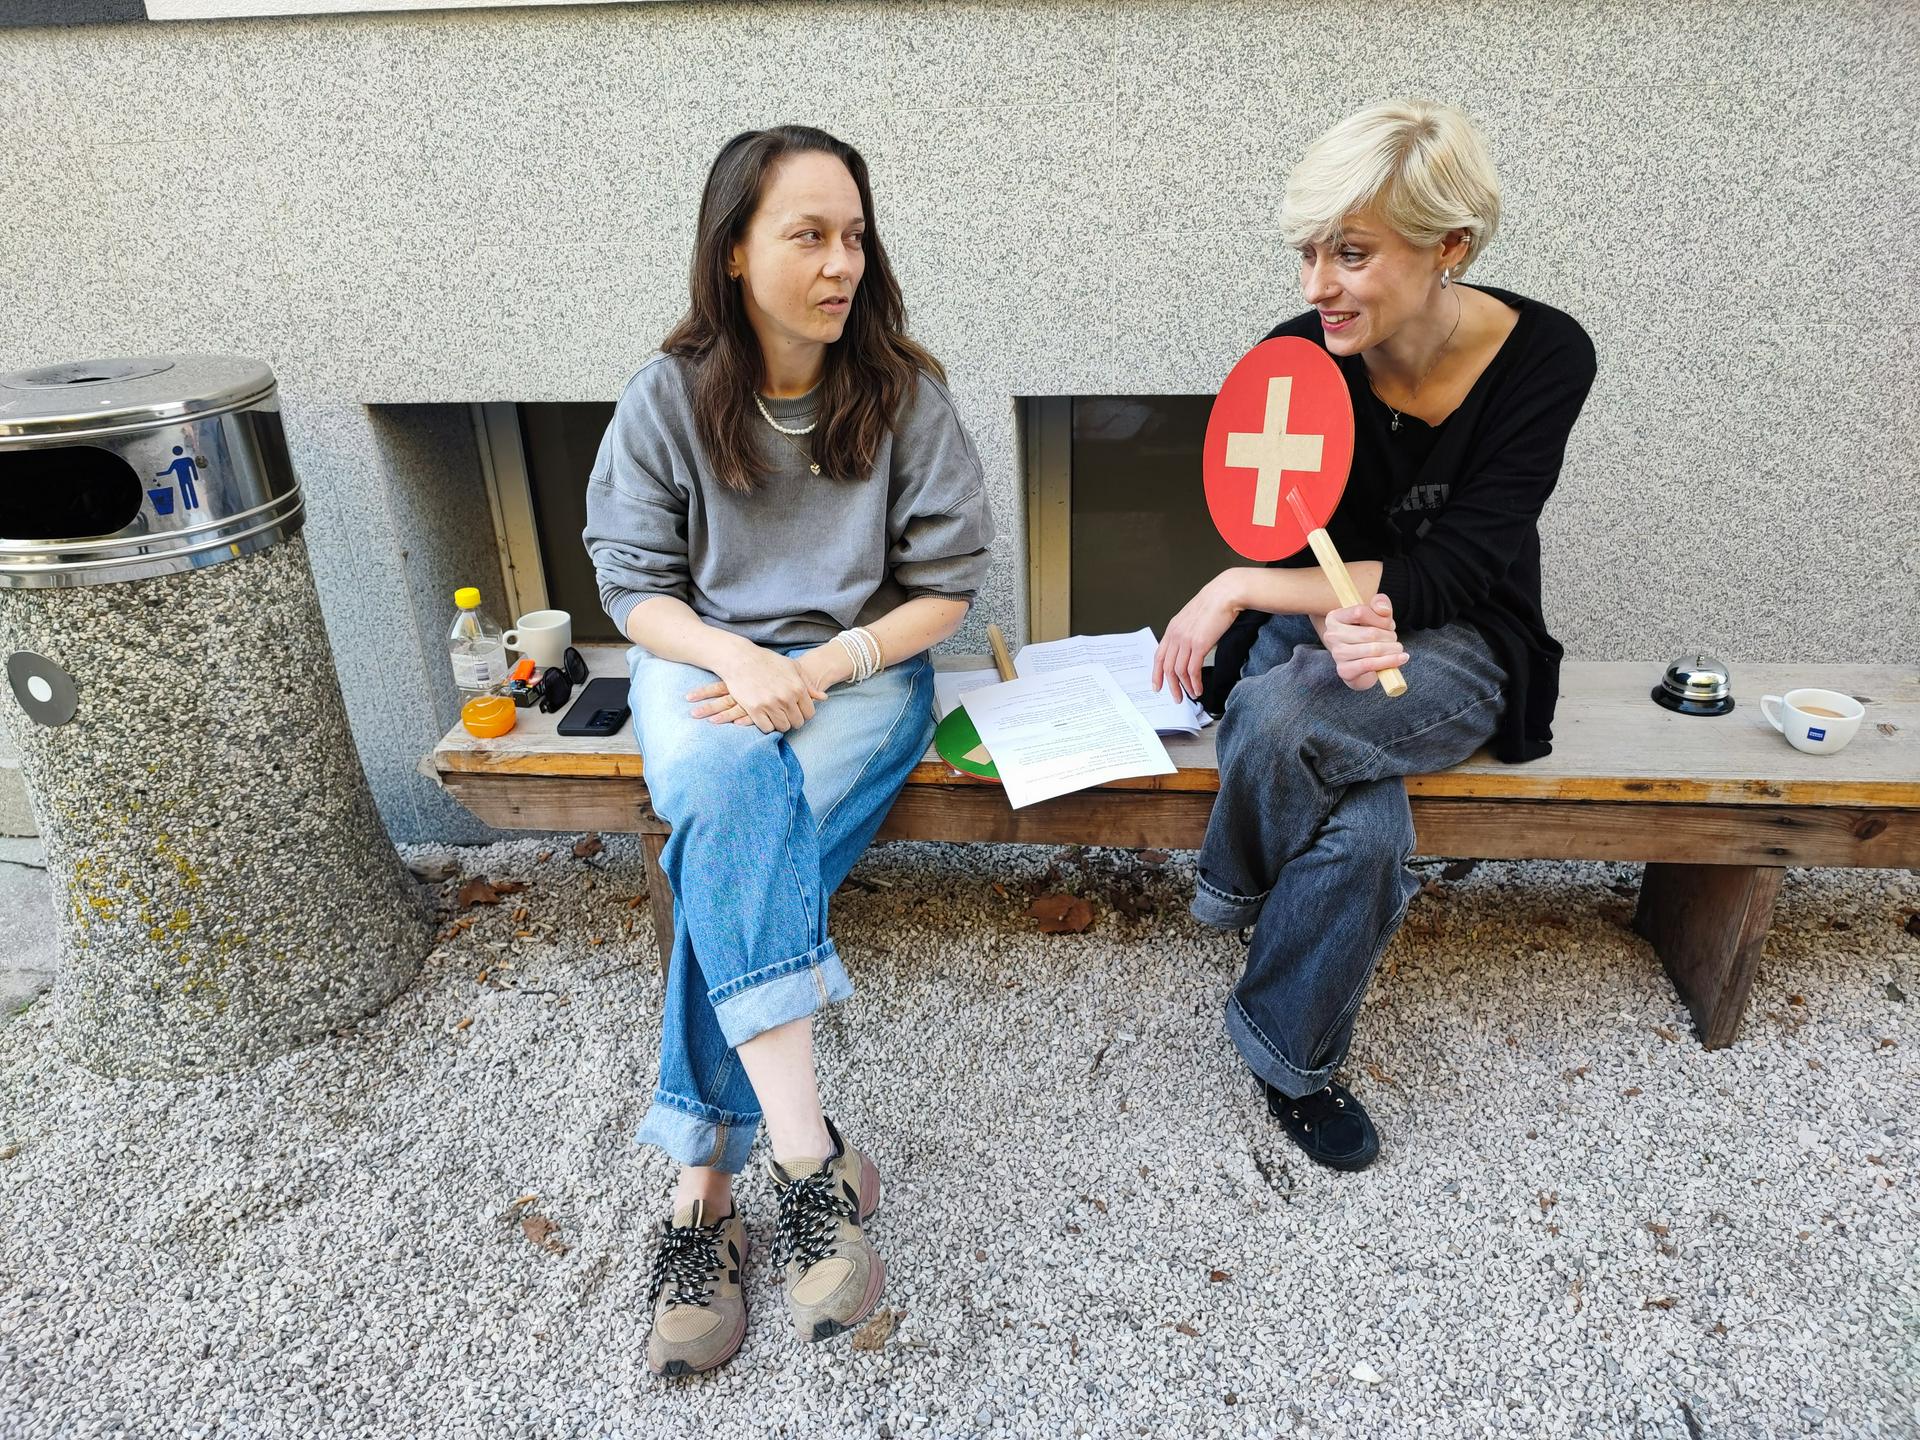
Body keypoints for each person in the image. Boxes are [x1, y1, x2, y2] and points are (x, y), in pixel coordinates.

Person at [582, 125, 994, 1374]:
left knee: (727, 842)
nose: (841, 263)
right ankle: (811, 1165)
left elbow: (944, 590)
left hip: (860, 672)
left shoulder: (905, 395)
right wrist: (734, 657)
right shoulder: (666, 398)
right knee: (729, 797)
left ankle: (701, 1192)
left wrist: (817, 666)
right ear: (734, 250)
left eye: (854, 235)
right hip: (703, 666)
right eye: (808, 235)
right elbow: (632, 587)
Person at [1154, 99, 1597, 1173]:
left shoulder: (1546, 356)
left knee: (1285, 714)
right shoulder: (1295, 359)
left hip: (1467, 641)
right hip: (1319, 622)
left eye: (1351, 254)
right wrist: (1308, 607)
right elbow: (1281, 531)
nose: (1318, 286)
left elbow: (1458, 571)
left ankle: (1230, 889)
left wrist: (1237, 588)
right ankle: (1290, 1060)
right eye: (1308, 253)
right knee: (1362, 834)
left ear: (1451, 247)